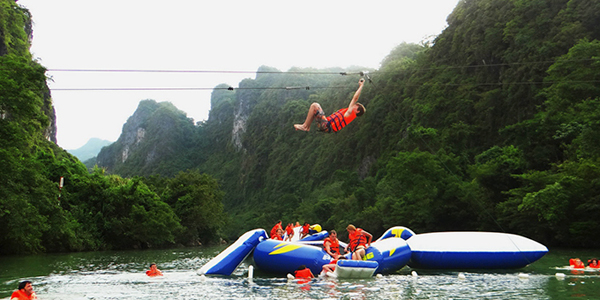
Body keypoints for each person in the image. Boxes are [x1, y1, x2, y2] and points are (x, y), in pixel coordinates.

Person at [294, 78, 366, 133]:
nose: (354, 105)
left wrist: (361, 86)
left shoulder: (350, 113)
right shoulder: (348, 114)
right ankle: (306, 127)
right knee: (314, 108)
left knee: (315, 105)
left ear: (357, 110)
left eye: (356, 105)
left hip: (326, 126)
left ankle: (305, 126)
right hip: (326, 126)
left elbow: (355, 98)